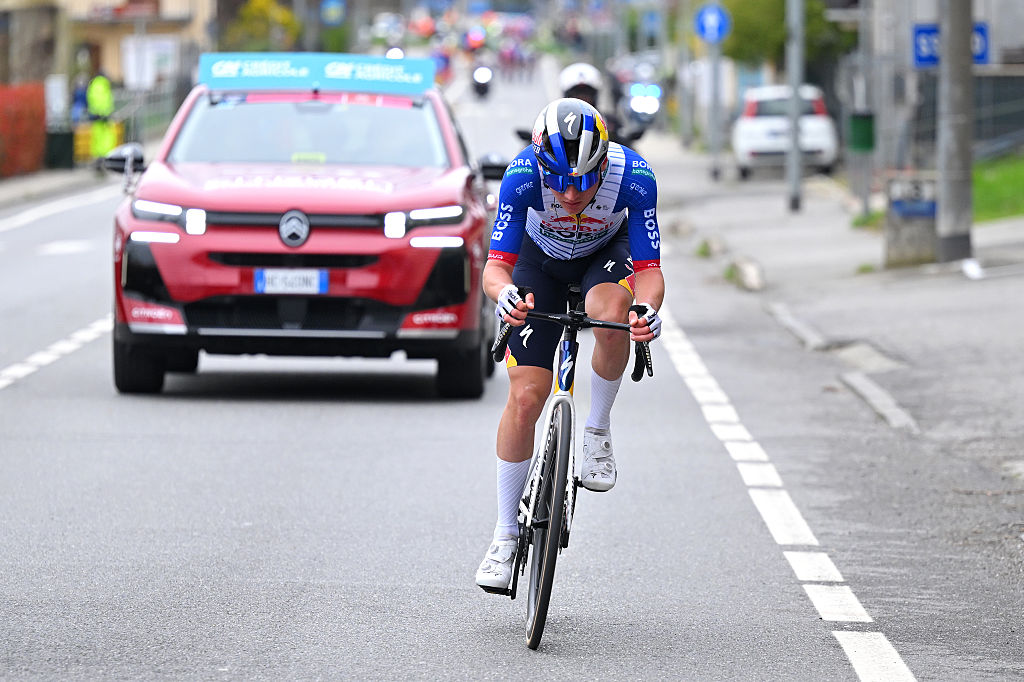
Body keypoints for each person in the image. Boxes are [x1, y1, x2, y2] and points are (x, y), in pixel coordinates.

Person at [475, 98, 665, 591]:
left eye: (584, 179)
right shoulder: (520, 178)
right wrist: (507, 296)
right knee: (525, 399)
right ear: (542, 168)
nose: (571, 193)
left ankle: (597, 432)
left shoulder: (636, 177)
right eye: (559, 180)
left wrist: (646, 311)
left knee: (610, 316)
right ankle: (503, 535)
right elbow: (495, 267)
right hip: (540, 262)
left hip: (606, 255)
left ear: (604, 163)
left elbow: (648, 273)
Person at [558, 61, 633, 145]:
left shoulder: (610, 122)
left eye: (587, 93)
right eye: (576, 94)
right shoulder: (554, 123)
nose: (582, 99)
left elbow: (626, 147)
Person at [86, 69, 116, 162]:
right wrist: (106, 113)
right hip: (103, 117)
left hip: (97, 117)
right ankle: (105, 157)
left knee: (97, 139)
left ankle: (99, 158)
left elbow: (92, 101)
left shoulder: (94, 86)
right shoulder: (103, 85)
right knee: (105, 138)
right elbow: (105, 101)